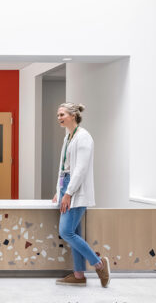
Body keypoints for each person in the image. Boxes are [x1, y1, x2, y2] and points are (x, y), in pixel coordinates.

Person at [52, 103, 110, 288]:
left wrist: (68, 193)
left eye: (62, 114)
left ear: (73, 115)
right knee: (74, 232)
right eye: (58, 115)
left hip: (75, 189)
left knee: (66, 231)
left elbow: (81, 169)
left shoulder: (83, 137)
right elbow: (64, 168)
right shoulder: (68, 137)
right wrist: (58, 191)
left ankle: (99, 264)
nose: (59, 118)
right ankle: (78, 275)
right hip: (66, 186)